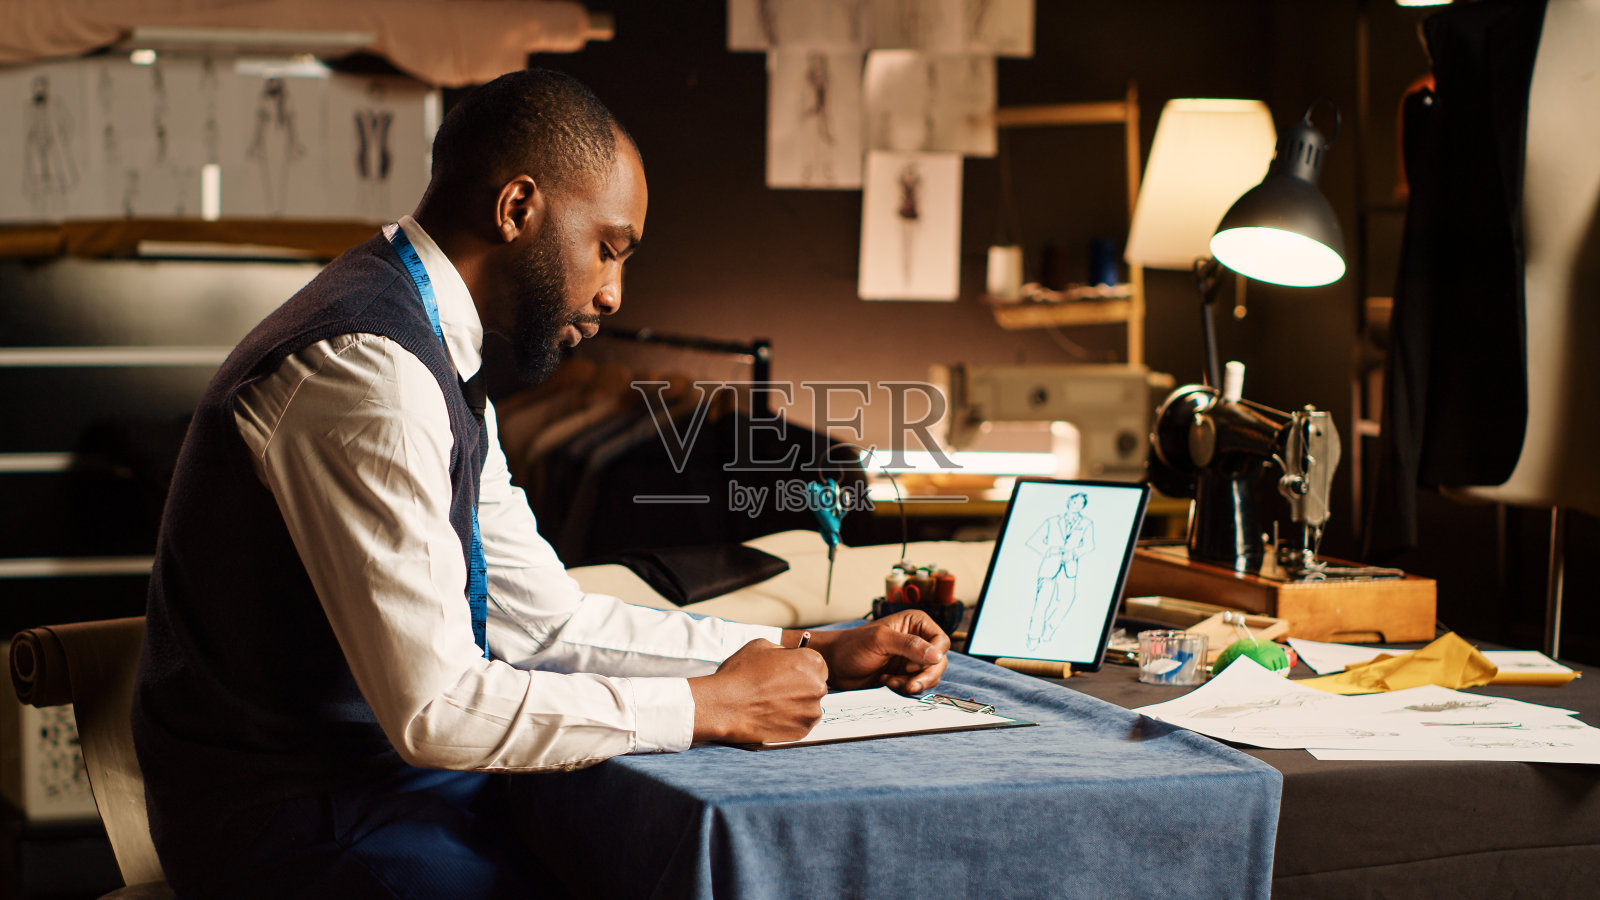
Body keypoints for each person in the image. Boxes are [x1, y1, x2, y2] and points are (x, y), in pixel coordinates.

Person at [131, 68, 949, 899]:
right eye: (608, 248)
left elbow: (544, 623)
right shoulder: (368, 370)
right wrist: (706, 706)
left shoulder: (433, 349)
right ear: (518, 209)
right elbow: (437, 709)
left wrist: (807, 649)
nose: (612, 292)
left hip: (380, 791)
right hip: (298, 828)